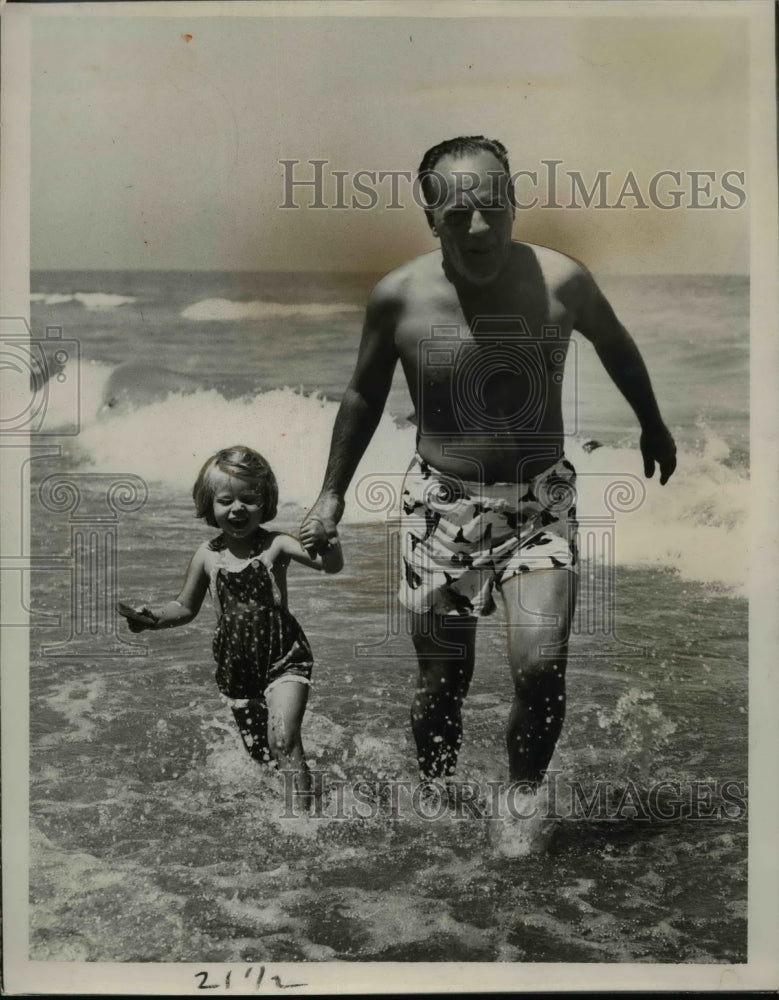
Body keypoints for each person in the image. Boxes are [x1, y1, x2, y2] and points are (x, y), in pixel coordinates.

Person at [300, 135, 676, 796]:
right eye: (457, 215)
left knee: (539, 668)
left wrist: (652, 423)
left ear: (512, 203)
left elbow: (617, 345)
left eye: (494, 207)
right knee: (443, 682)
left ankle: (520, 808)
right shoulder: (398, 296)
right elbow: (362, 392)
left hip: (540, 504)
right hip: (439, 507)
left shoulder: (562, 280)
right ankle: (439, 796)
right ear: (429, 217)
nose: (479, 227)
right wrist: (330, 496)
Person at [118, 445, 343, 804]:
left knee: (283, 738)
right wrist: (153, 620)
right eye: (226, 500)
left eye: (249, 499)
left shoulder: (276, 545)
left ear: (264, 501)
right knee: (262, 755)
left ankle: (302, 820)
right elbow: (185, 606)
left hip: (283, 655)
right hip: (237, 667)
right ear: (209, 505)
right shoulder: (207, 556)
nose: (237, 508)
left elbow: (330, 566)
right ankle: (306, 793)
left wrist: (330, 542)